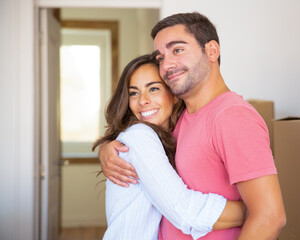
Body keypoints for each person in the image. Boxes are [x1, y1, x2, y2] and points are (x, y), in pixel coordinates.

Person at [99, 12, 286, 239]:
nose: (166, 64)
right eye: (160, 57)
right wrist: (110, 145)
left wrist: (252, 210)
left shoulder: (232, 116)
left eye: (177, 50)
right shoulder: (180, 119)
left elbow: (269, 217)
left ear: (212, 51)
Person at [93, 54, 246, 240]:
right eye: (134, 93)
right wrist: (254, 211)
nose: (143, 100)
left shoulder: (172, 135)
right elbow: (184, 211)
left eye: (154, 89)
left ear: (174, 95)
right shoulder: (140, 135)